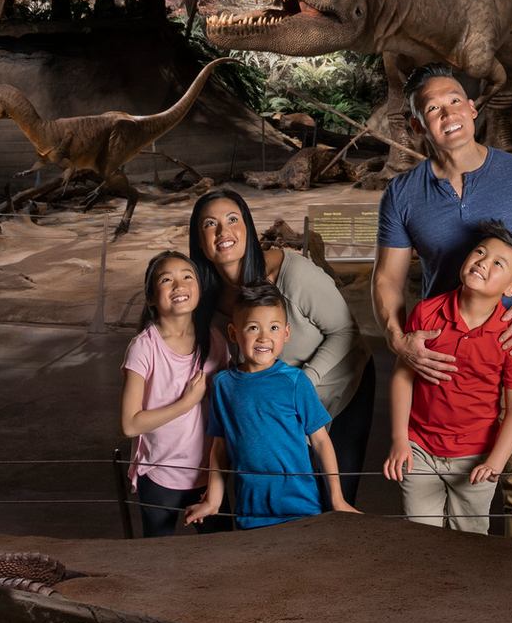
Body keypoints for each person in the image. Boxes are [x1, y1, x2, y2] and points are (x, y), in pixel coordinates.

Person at [374, 61, 512, 541]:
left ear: (471, 107)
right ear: (417, 125)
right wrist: (400, 340)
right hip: (439, 360)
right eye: (432, 108)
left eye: (454, 101)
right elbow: (387, 280)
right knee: (440, 486)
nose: (448, 113)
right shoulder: (402, 194)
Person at [188, 187, 376, 503]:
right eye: (210, 224)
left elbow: (345, 332)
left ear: (247, 227)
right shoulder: (206, 299)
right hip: (280, 404)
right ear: (199, 241)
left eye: (233, 219)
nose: (223, 231)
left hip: (342, 386)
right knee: (289, 498)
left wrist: (301, 384)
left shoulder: (292, 274)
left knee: (334, 497)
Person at [383, 221, 512, 534]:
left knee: (471, 542)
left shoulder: (511, 335)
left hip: (475, 456)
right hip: (419, 450)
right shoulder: (427, 313)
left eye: (498, 263)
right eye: (479, 252)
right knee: (421, 537)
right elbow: (402, 377)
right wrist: (400, 440)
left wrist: (496, 461)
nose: (482, 262)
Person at [184, 283, 359, 529]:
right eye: (253, 328)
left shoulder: (296, 383)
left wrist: (337, 499)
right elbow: (220, 445)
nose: (264, 337)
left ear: (286, 334)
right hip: (250, 510)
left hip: (301, 508)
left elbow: (320, 441)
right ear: (234, 333)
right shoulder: (224, 385)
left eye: (274, 328)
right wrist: (213, 500)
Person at [118, 249, 222, 536]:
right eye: (167, 279)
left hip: (209, 473)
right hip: (160, 474)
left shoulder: (214, 339)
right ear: (151, 297)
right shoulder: (144, 347)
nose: (179, 285)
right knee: (158, 556)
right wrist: (187, 402)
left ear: (199, 288)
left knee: (222, 553)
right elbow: (130, 424)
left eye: (187, 276)